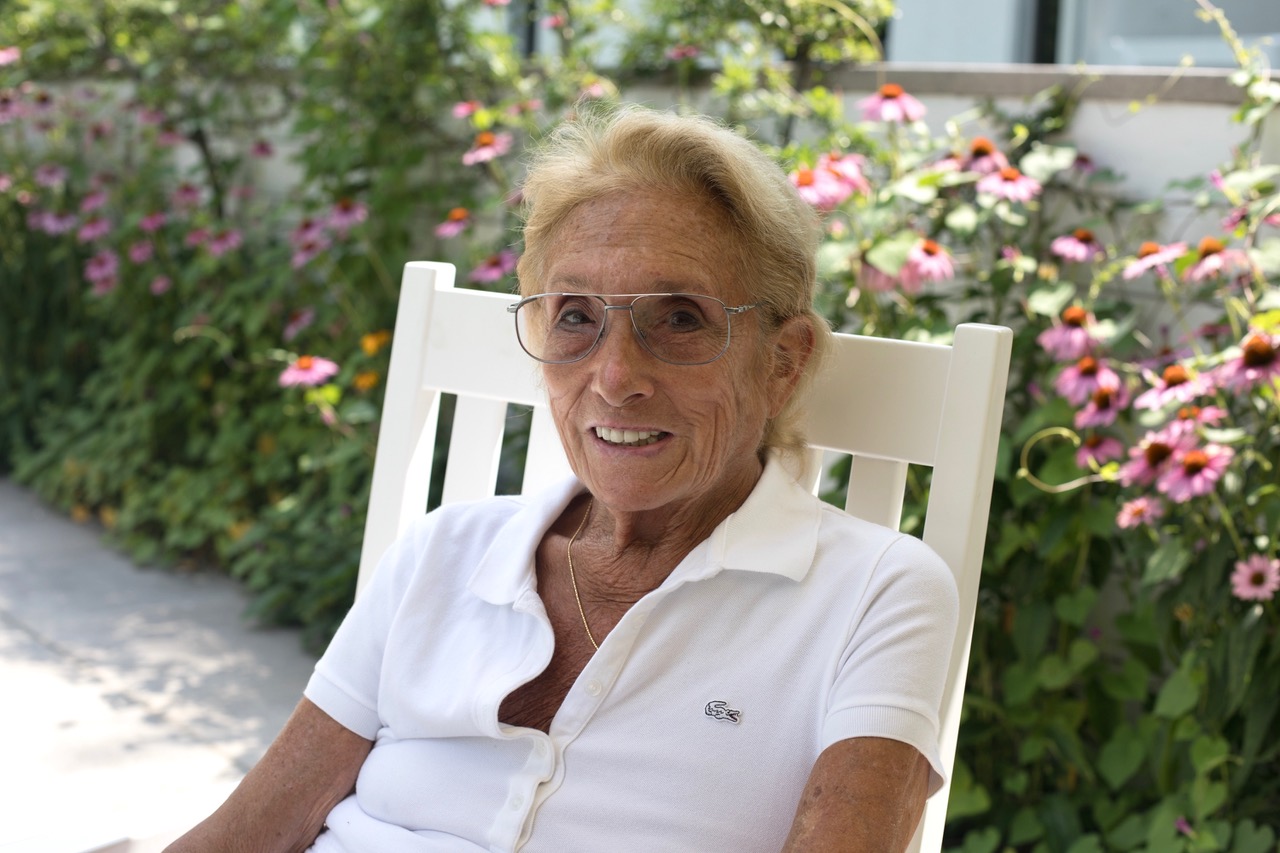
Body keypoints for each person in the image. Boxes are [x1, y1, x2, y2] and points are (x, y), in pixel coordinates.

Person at [167, 105, 958, 852]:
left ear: (783, 362)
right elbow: (248, 831)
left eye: (679, 318)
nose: (615, 378)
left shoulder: (874, 594)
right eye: (576, 315)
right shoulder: (446, 551)